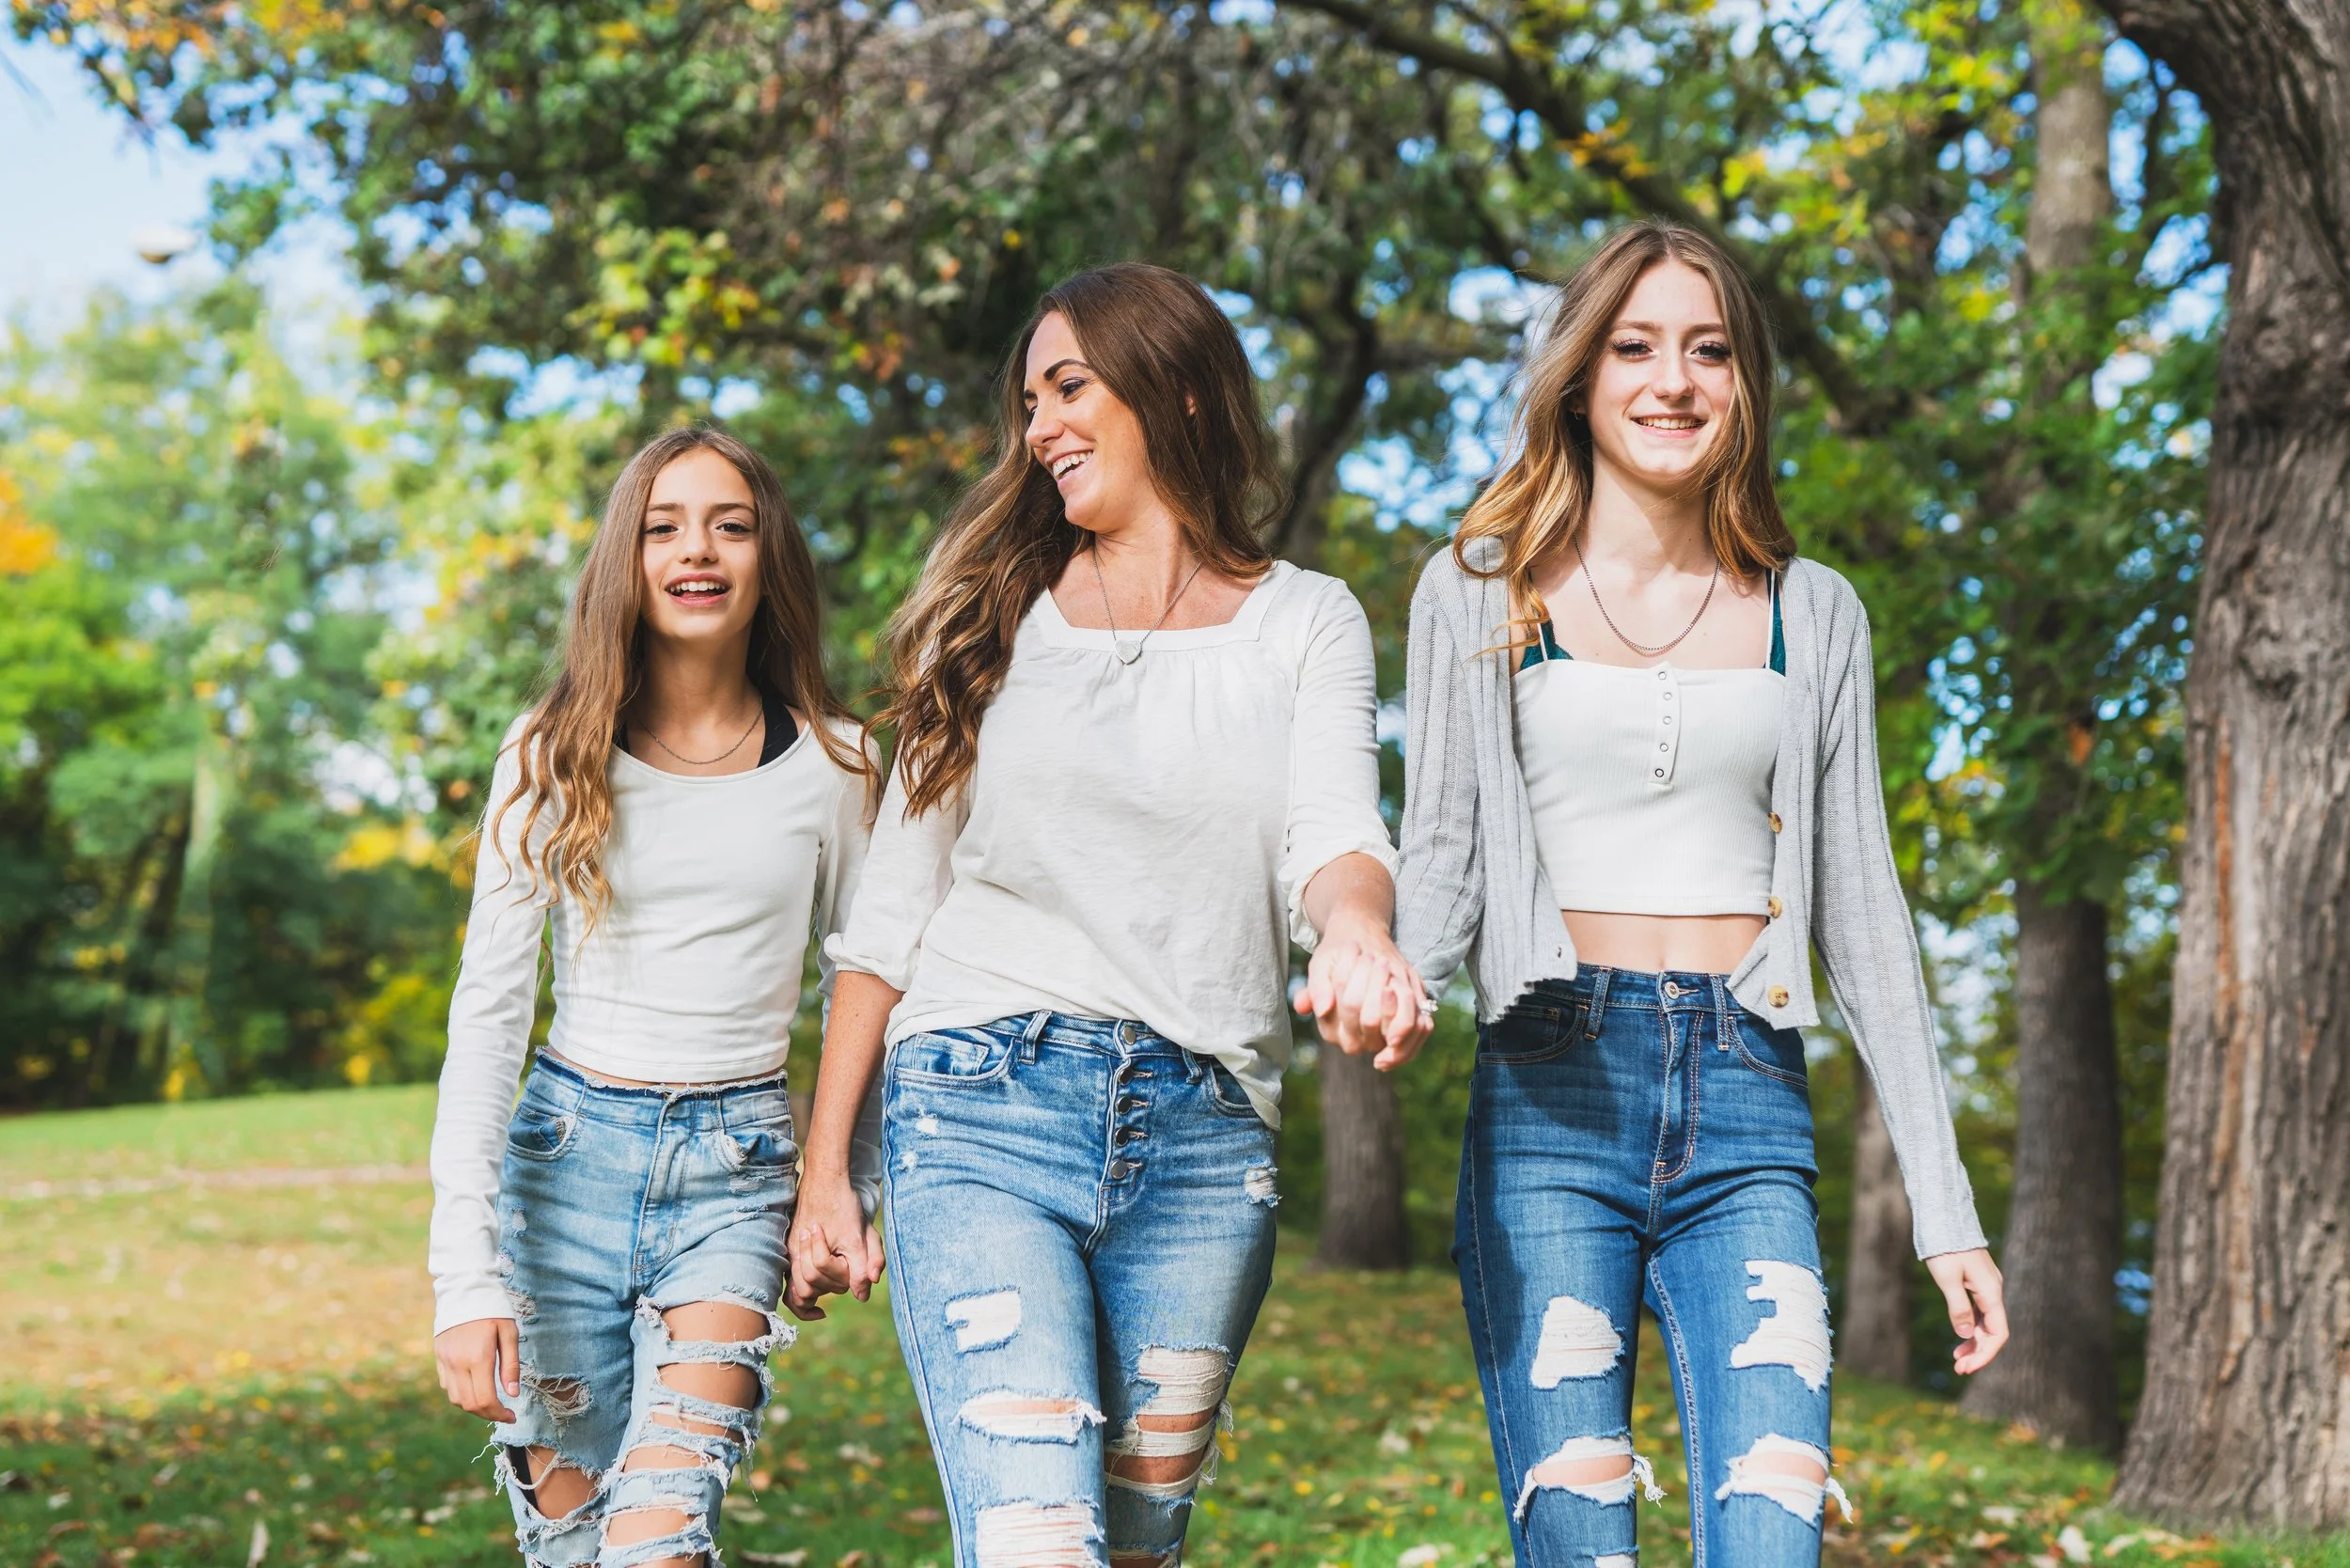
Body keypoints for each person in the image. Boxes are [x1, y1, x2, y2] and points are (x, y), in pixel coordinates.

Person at [785, 261, 1433, 1568]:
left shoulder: (1305, 622)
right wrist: (824, 1175)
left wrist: (1358, 933)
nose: (1040, 428)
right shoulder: (993, 618)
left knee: (1135, 1546)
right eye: (1031, 400)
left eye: (1069, 387)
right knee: (1038, 1538)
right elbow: (892, 915)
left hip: (1204, 1146)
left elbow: (1335, 833)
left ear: (1177, 388)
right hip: (978, 1106)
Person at [1395, 221, 2011, 1568]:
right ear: (1578, 376)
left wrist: (1948, 1213)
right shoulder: (1477, 593)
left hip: (1747, 1098)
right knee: (1581, 1540)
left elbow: (1866, 918)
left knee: (1774, 1534)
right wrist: (1382, 976)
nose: (1672, 380)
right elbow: (1439, 858)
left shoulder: (1816, 611)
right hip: (1548, 1099)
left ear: (1744, 384)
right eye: (1635, 346)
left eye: (1708, 350)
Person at [427, 429, 878, 1567]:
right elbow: (486, 1020)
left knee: (657, 1540)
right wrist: (462, 1275)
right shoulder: (546, 756)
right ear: (623, 559)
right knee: (573, 1550)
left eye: (732, 524)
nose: (698, 550)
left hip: (735, 1179)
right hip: (560, 1169)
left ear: (770, 558)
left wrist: (845, 1186)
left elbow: (874, 986)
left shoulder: (838, 764)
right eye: (664, 526)